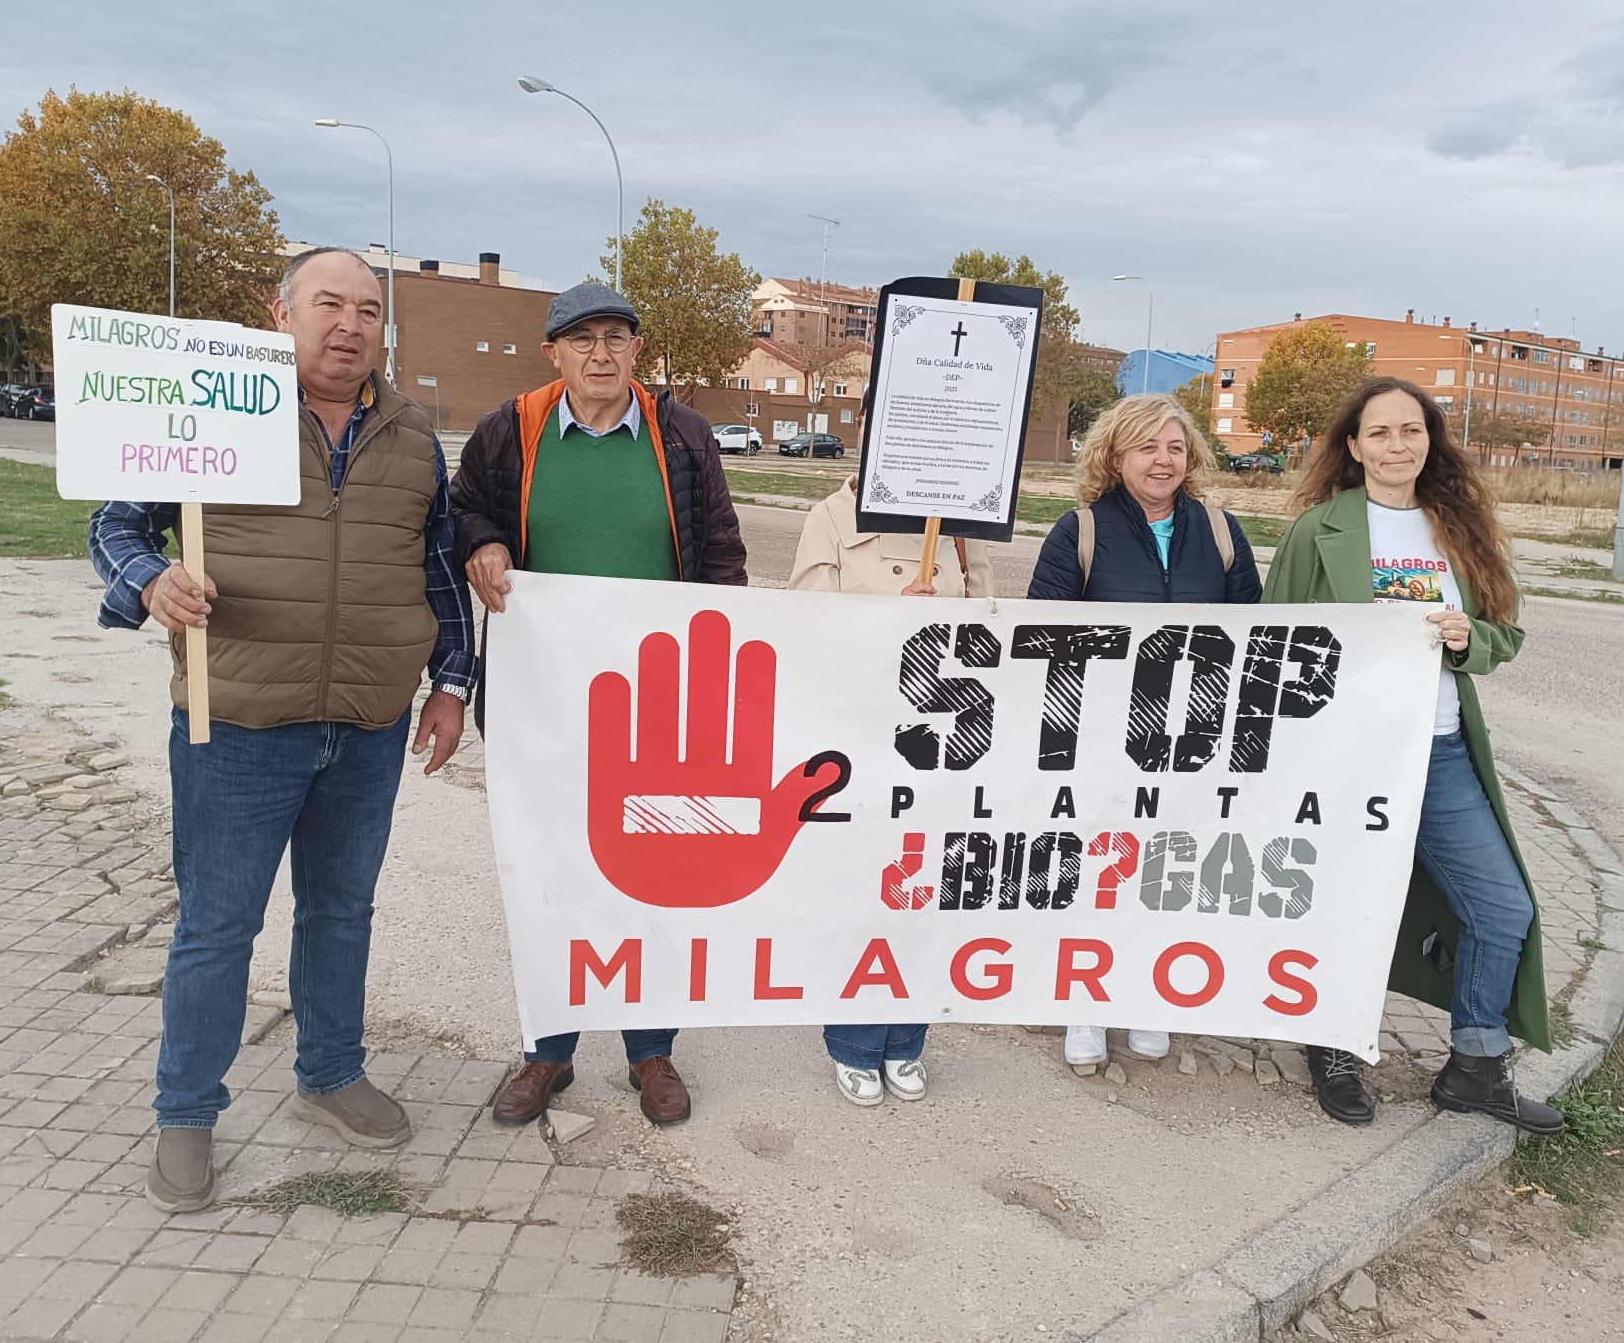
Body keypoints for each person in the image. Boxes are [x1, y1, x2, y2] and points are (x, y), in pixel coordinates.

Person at [89, 247, 475, 1213]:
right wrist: (149, 580)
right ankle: (186, 1115)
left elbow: (438, 570)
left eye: (369, 309)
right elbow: (114, 524)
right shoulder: (211, 409)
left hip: (369, 722)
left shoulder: (416, 436)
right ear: (284, 311)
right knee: (218, 928)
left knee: (341, 911)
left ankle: (330, 1072)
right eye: (328, 304)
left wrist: (452, 683)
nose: (349, 324)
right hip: (241, 724)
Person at [451, 281, 745, 1130]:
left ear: (636, 350)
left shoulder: (682, 434)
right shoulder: (513, 428)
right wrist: (486, 541)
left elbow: (720, 547)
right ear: (554, 352)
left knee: (655, 874)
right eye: (583, 340)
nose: (602, 354)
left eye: (617, 337)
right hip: (544, 697)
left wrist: (717, 655)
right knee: (547, 872)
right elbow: (464, 509)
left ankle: (651, 1049)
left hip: (657, 698)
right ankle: (550, 1051)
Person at [1262, 377, 1562, 1135]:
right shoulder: (1318, 531)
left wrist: (1469, 640)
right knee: (1346, 905)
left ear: (1431, 440)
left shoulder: (1459, 528)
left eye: (1412, 430)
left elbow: (1505, 636)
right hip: (1347, 756)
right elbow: (1273, 646)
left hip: (1440, 751)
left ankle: (1475, 1064)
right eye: (1381, 432)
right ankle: (1332, 1048)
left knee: (1502, 907)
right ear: (1354, 447)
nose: (1399, 445)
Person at [1027, 394, 1261, 1071]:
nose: (1163, 461)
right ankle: (1087, 1004)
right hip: (1105, 742)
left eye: (1175, 448)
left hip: (1194, 742)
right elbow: (1042, 638)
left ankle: (1150, 996)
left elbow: (1254, 633)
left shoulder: (1221, 531)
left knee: (1169, 870)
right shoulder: (1080, 532)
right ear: (1116, 455)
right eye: (1148, 448)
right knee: (1102, 871)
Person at [788, 476, 993, 1105]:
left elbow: (989, 621)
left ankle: (907, 1038)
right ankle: (853, 1043)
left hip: (942, 738)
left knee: (926, 888)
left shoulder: (959, 524)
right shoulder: (832, 516)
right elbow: (805, 624)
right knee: (861, 891)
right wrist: (888, 619)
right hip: (860, 737)